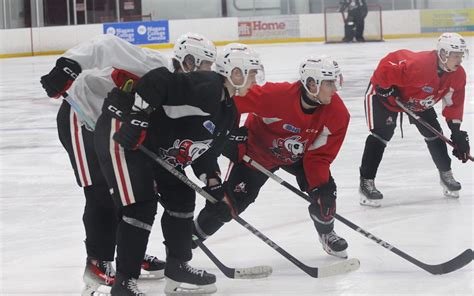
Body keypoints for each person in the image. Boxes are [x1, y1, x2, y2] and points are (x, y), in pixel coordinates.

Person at [40, 32, 217, 295]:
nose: (208, 73)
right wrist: (71, 64)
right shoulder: (152, 65)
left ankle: (129, 254)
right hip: (82, 117)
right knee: (101, 190)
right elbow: (107, 44)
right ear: (188, 62)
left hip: (119, 130)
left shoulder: (185, 90)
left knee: (131, 191)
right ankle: (97, 263)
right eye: (205, 65)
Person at [94, 43, 264, 295]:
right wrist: (139, 116)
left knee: (182, 199)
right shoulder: (207, 85)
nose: (254, 81)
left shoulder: (229, 112)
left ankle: (177, 266)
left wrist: (214, 185)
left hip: (158, 150)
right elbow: (158, 79)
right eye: (251, 74)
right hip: (123, 131)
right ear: (235, 73)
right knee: (141, 205)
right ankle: (124, 282)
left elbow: (204, 153)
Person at [194, 55, 351, 259]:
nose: (335, 89)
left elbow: (319, 157)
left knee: (326, 194)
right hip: (256, 154)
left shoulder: (337, 113)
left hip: (300, 157)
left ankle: (326, 232)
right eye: (329, 83)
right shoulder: (276, 96)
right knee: (227, 205)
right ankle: (188, 240)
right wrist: (228, 136)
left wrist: (320, 188)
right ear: (312, 84)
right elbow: (231, 101)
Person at [359, 32, 470, 207]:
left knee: (435, 134)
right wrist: (384, 86)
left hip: (418, 100)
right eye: (455, 56)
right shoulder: (420, 65)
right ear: (442, 54)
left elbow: (453, 104)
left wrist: (456, 132)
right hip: (384, 97)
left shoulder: (458, 75)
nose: (459, 60)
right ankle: (366, 181)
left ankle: (446, 173)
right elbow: (386, 66)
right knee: (381, 134)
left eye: (461, 55)